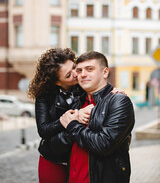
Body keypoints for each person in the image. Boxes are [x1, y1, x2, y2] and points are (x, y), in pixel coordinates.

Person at [28, 48, 126, 183]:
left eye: (75, 67)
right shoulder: (45, 95)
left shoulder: (83, 86)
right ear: (58, 82)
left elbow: (100, 85)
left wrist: (112, 91)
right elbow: (43, 130)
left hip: (79, 156)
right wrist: (66, 120)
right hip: (54, 157)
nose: (76, 74)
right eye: (68, 75)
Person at [51, 51, 135, 183]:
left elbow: (104, 144)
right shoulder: (76, 103)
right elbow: (53, 146)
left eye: (90, 69)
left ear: (105, 72)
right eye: (79, 70)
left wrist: (72, 125)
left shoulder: (118, 101)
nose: (83, 74)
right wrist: (69, 123)